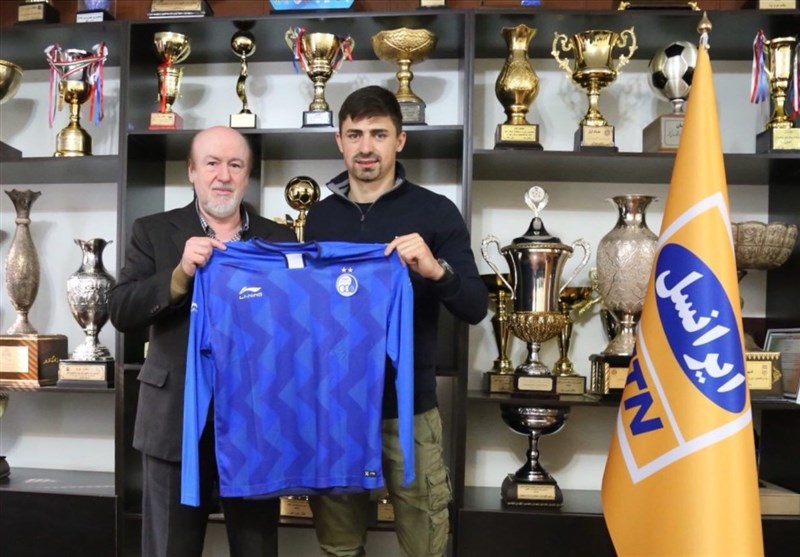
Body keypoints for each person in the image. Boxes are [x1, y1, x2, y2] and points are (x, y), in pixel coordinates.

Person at [305, 85, 489, 557]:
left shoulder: (435, 211)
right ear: (339, 142)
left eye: (379, 134)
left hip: (410, 408)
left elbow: (475, 305)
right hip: (337, 410)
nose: (366, 147)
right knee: (339, 546)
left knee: (426, 544)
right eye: (355, 135)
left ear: (400, 140)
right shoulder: (319, 218)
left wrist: (434, 269)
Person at [108, 125, 296, 557]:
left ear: (247, 175)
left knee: (256, 549)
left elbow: (297, 326)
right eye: (212, 163)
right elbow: (121, 310)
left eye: (235, 165)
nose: (223, 175)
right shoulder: (153, 231)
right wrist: (179, 276)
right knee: (170, 548)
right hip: (173, 422)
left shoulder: (280, 240)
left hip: (257, 427)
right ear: (191, 171)